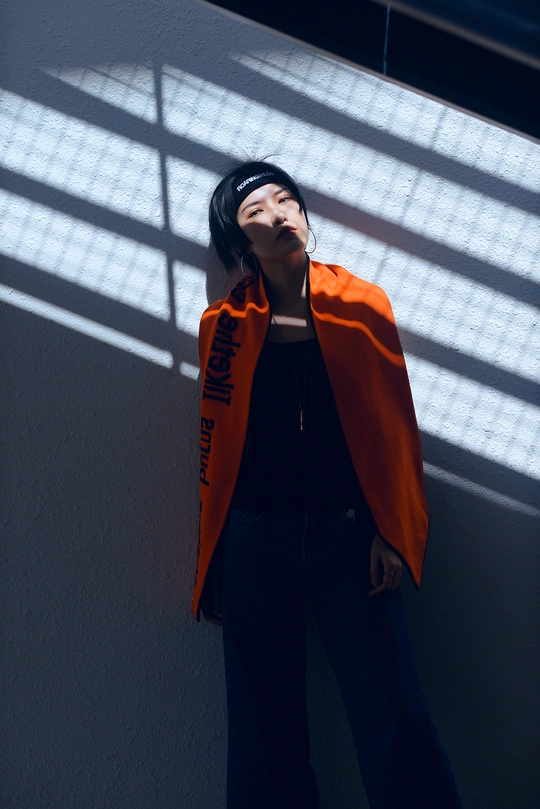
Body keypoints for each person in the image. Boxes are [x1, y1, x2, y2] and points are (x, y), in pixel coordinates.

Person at [192, 160, 463, 809]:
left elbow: (393, 427)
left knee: (392, 713)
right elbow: (217, 448)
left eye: (286, 199)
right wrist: (219, 554)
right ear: (238, 240)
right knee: (263, 731)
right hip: (255, 539)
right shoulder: (221, 326)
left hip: (351, 537)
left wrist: (389, 529)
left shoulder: (362, 303)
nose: (280, 214)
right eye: (257, 211)